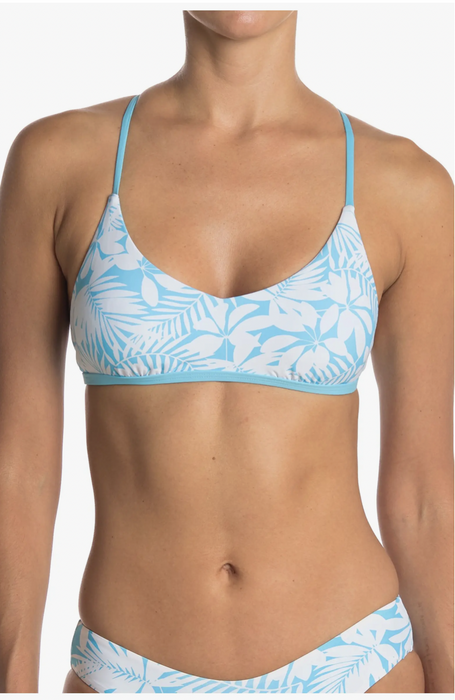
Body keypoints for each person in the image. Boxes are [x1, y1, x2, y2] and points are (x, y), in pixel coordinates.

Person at [0, 9, 452, 695]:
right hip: (128, 673)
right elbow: (19, 472)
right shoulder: (59, 162)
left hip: (354, 663)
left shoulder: (406, 185)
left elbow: (423, 497)